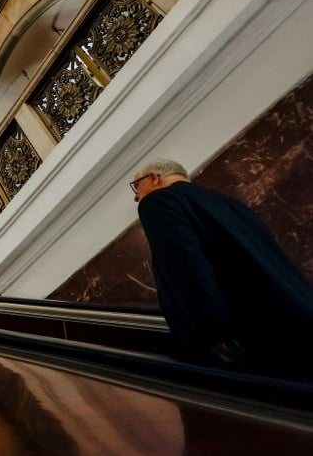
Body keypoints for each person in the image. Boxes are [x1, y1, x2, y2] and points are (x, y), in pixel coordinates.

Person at [131, 158, 313, 372]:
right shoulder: (228, 203)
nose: (136, 196)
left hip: (259, 339)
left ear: (154, 178)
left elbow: (186, 268)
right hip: (298, 314)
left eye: (136, 186)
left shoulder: (158, 201)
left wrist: (214, 339)